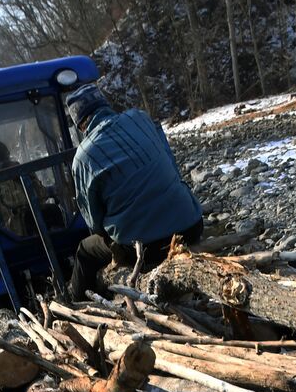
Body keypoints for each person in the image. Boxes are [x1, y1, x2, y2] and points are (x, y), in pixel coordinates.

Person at [64, 83, 203, 296]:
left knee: (85, 250)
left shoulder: (83, 158)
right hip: (191, 224)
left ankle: (77, 305)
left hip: (145, 247)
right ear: (105, 105)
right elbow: (171, 164)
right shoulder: (140, 118)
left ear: (81, 125)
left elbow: (94, 222)